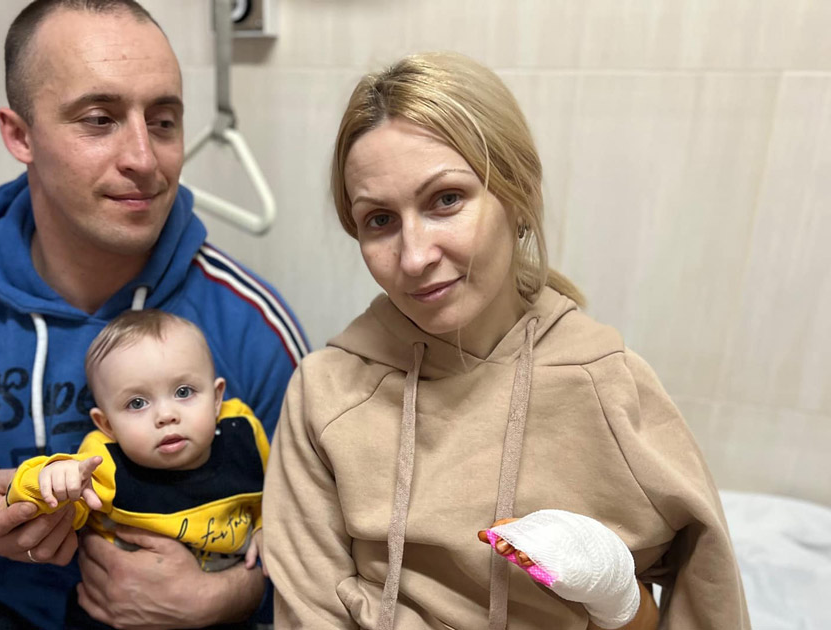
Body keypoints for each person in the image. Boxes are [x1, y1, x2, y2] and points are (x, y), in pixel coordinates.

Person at [262, 52, 749, 629]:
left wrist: (623, 599)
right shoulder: (326, 394)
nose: (414, 257)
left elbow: (704, 599)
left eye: (446, 199)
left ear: (520, 197)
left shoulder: (606, 386)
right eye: (380, 220)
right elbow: (308, 611)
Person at [0, 1, 306, 628]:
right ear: (20, 135)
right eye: (99, 120)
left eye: (163, 121)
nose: (144, 159)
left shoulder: (248, 322)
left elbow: (324, 541)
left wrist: (225, 598)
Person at [6, 309, 269, 573]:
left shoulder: (243, 432)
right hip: (119, 594)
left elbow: (274, 496)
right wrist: (50, 478)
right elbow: (49, 512)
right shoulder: (102, 463)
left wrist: (264, 526)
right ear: (107, 425)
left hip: (234, 591)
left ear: (216, 398)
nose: (166, 416)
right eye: (137, 403)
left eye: (183, 392)